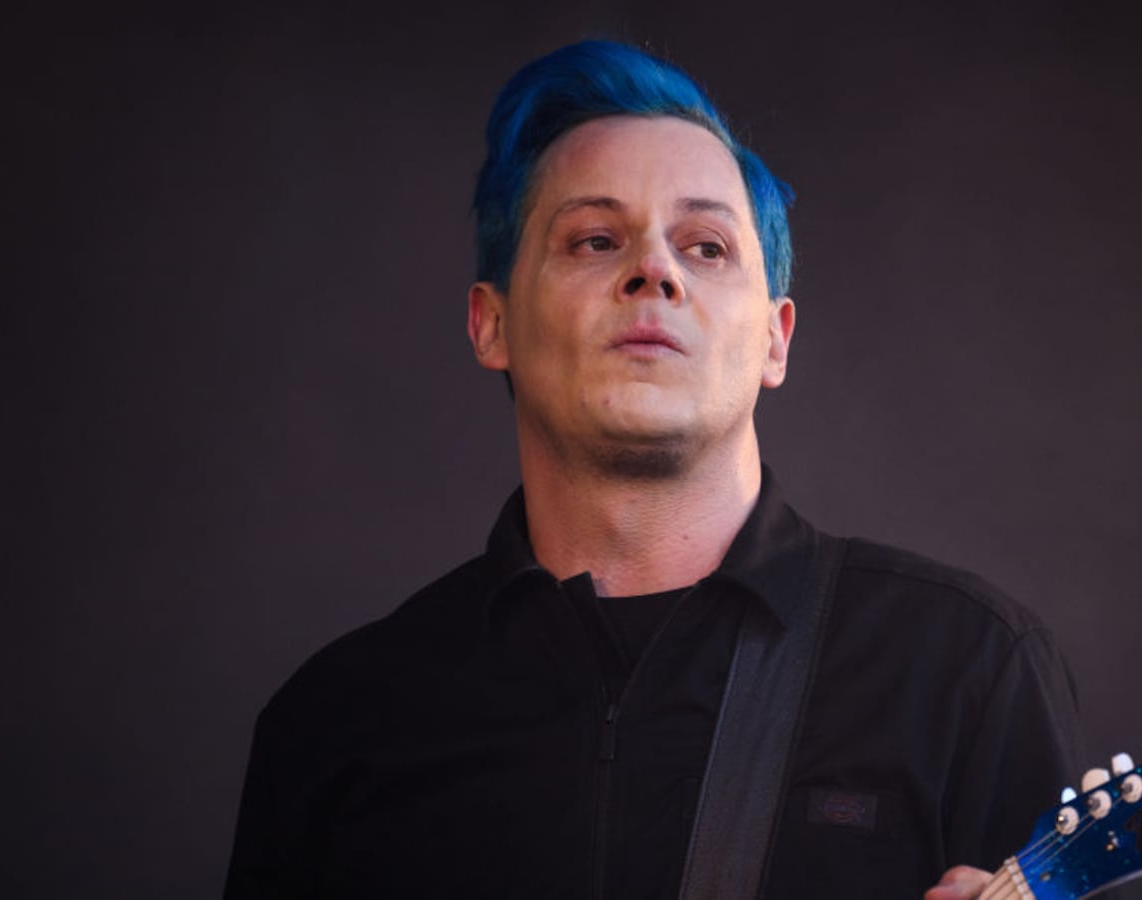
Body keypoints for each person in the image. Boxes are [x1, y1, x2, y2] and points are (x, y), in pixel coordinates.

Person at [225, 40, 1090, 900]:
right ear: (491, 324)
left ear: (775, 338)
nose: (655, 271)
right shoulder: (336, 725)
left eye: (706, 247)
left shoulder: (966, 668)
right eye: (595, 239)